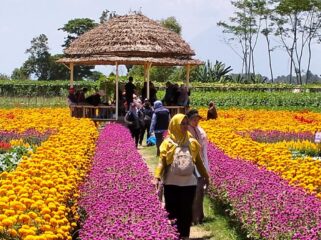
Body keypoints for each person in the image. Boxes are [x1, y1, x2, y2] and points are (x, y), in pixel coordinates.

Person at [154, 114, 210, 239]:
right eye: (182, 123)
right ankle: (173, 235)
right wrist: (157, 176)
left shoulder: (192, 142)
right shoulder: (167, 143)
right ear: (174, 124)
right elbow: (162, 161)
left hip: (189, 183)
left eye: (186, 123)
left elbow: (198, 162)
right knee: (172, 210)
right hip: (171, 183)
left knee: (186, 211)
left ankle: (184, 236)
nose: (185, 126)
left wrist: (206, 176)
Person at [186, 109, 209, 225]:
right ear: (188, 120)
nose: (196, 121)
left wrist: (206, 166)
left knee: (199, 189)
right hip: (188, 164)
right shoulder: (184, 130)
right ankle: (190, 217)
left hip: (199, 163)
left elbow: (204, 149)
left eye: (197, 119)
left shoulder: (200, 131)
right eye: (193, 119)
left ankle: (198, 216)